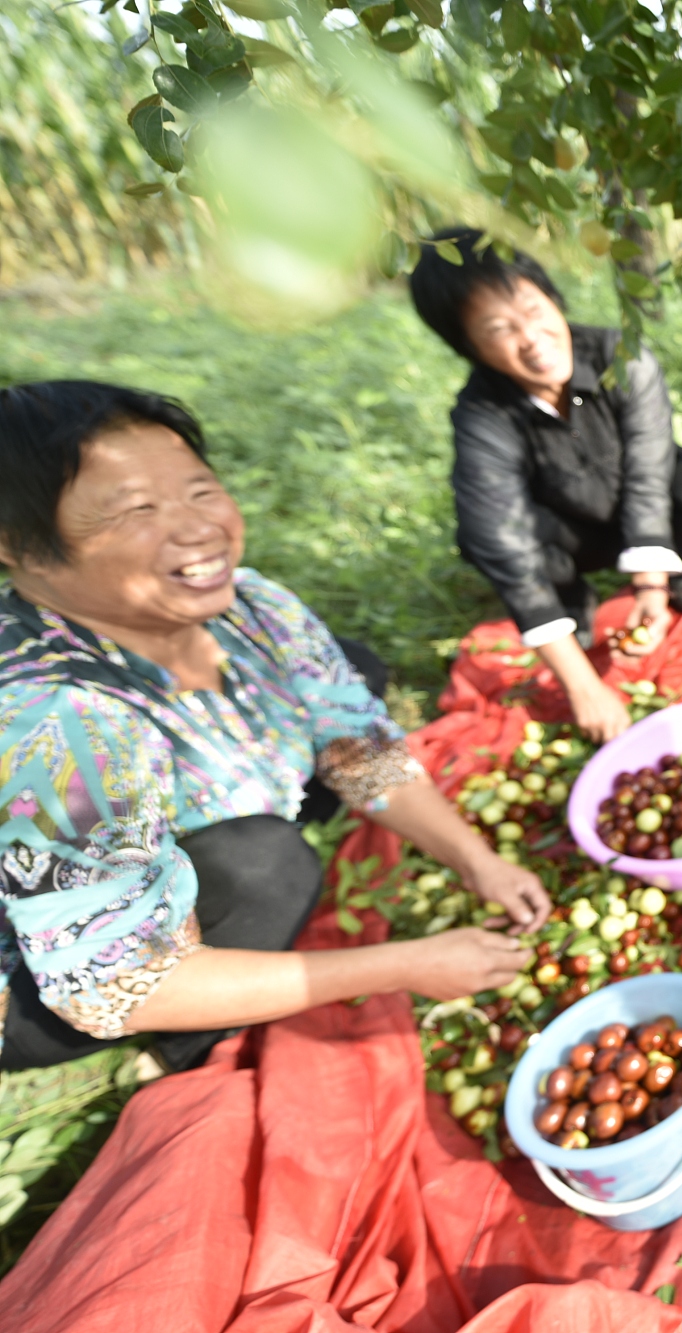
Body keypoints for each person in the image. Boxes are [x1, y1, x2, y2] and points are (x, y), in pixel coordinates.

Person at [0, 382, 550, 1073]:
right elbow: (116, 986)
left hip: (186, 816)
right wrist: (406, 964)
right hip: (40, 979)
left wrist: (479, 861)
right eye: (136, 509)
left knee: (351, 668)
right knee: (267, 864)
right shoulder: (53, 721)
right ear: (21, 547)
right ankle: (192, 1045)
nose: (199, 528)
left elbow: (359, 749)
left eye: (201, 491)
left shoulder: (251, 605)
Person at [409, 229, 682, 741]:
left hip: (641, 521)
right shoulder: (483, 415)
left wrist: (651, 582)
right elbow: (504, 539)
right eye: (499, 328)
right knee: (482, 536)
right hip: (570, 537)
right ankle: (571, 604)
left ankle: (678, 577)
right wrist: (584, 686)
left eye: (534, 309)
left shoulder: (621, 357)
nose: (532, 338)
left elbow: (649, 474)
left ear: (552, 297)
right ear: (469, 346)